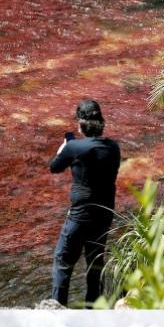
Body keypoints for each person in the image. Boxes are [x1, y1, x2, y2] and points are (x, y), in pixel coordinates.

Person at [48, 99, 121, 306]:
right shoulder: (113, 147)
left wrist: (63, 150)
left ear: (80, 124)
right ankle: (93, 310)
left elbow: (54, 167)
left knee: (63, 262)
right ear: (101, 122)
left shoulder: (74, 147)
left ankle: (58, 310)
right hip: (105, 214)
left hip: (80, 216)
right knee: (95, 265)